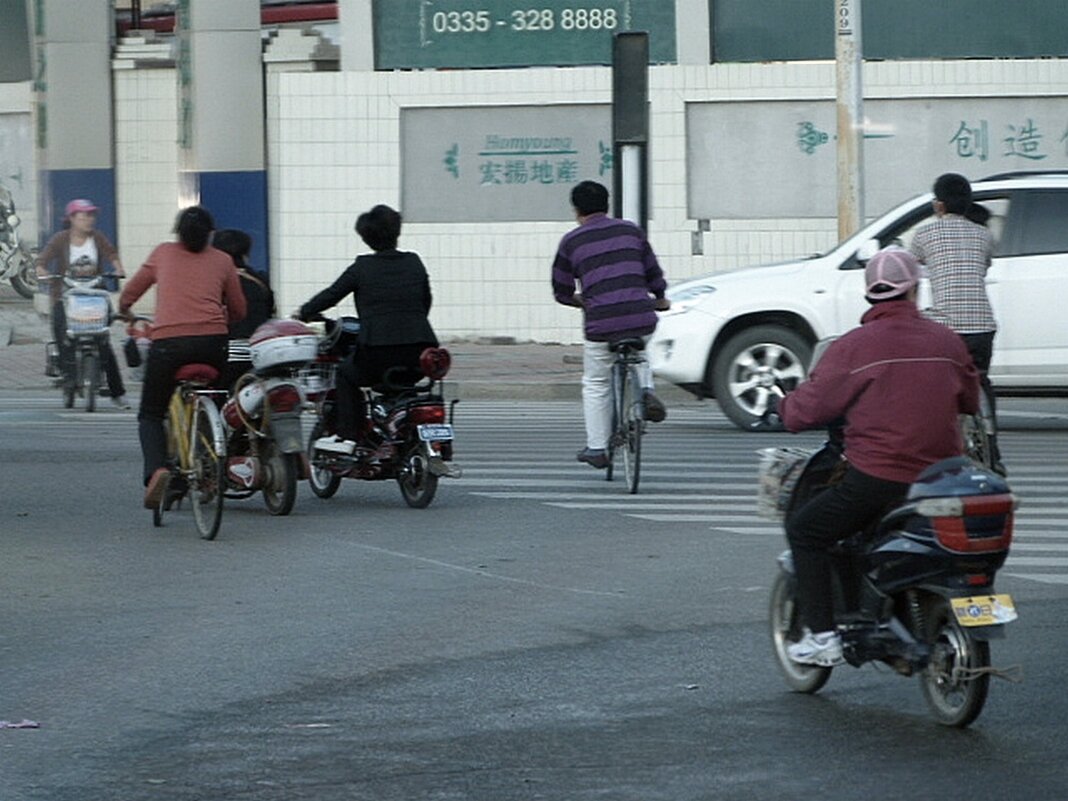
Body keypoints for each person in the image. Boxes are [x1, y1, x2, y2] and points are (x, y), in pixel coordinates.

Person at [776, 247, 979, 666]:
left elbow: (806, 410)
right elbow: (970, 401)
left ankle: (824, 637)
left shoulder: (854, 347)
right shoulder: (948, 340)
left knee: (807, 532)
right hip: (944, 476)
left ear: (870, 295)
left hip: (879, 477)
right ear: (915, 290)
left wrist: (782, 407)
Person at [119, 206, 246, 509]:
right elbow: (239, 310)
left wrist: (125, 310)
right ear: (210, 234)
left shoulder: (163, 253)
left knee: (151, 414)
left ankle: (158, 470)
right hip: (214, 344)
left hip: (169, 344)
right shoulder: (223, 260)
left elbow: (130, 293)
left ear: (177, 233)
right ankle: (211, 452)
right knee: (216, 398)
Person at [296, 204, 437, 455]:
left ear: (367, 238)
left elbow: (331, 295)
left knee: (345, 374)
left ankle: (348, 436)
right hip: (420, 351)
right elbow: (425, 301)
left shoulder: (362, 267)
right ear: (397, 232)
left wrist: (303, 313)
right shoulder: (414, 262)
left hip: (378, 354)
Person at [551, 180, 670, 469]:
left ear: (576, 210)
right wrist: (661, 297)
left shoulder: (572, 241)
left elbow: (561, 289)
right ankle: (644, 392)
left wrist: (578, 300)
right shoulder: (631, 231)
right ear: (608, 204)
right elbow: (652, 271)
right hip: (640, 314)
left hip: (601, 323)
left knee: (595, 382)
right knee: (641, 349)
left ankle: (597, 448)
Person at [909, 173, 1004, 474]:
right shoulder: (983, 235)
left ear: (938, 205)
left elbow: (910, 268)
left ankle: (938, 454)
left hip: (946, 329)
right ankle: (994, 454)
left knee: (939, 388)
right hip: (982, 326)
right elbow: (984, 264)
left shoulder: (924, 236)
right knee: (981, 383)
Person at [36, 198, 130, 409]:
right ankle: (68, 377)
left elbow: (111, 254)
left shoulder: (97, 238)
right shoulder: (60, 239)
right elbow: (42, 260)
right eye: (83, 215)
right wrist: (42, 271)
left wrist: (118, 268)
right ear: (72, 218)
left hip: (95, 296)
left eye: (91, 215)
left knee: (103, 341)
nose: (89, 219)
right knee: (61, 331)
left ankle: (117, 393)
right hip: (66, 297)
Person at [212, 229, 276, 390]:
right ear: (246, 254)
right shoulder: (261, 281)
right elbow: (269, 315)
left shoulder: (213, 282)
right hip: (260, 355)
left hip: (226, 355)